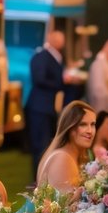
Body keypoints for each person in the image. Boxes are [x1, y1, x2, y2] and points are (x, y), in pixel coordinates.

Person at [25, 29, 79, 174]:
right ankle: (37, 177)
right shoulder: (42, 56)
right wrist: (62, 80)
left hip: (48, 107)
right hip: (40, 106)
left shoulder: (54, 57)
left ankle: (44, 175)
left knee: (47, 143)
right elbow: (39, 79)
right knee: (40, 144)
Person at [35, 100, 97, 194]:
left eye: (92, 124)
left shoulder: (69, 155)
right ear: (70, 127)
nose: (90, 131)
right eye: (83, 124)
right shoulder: (63, 158)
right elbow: (66, 206)